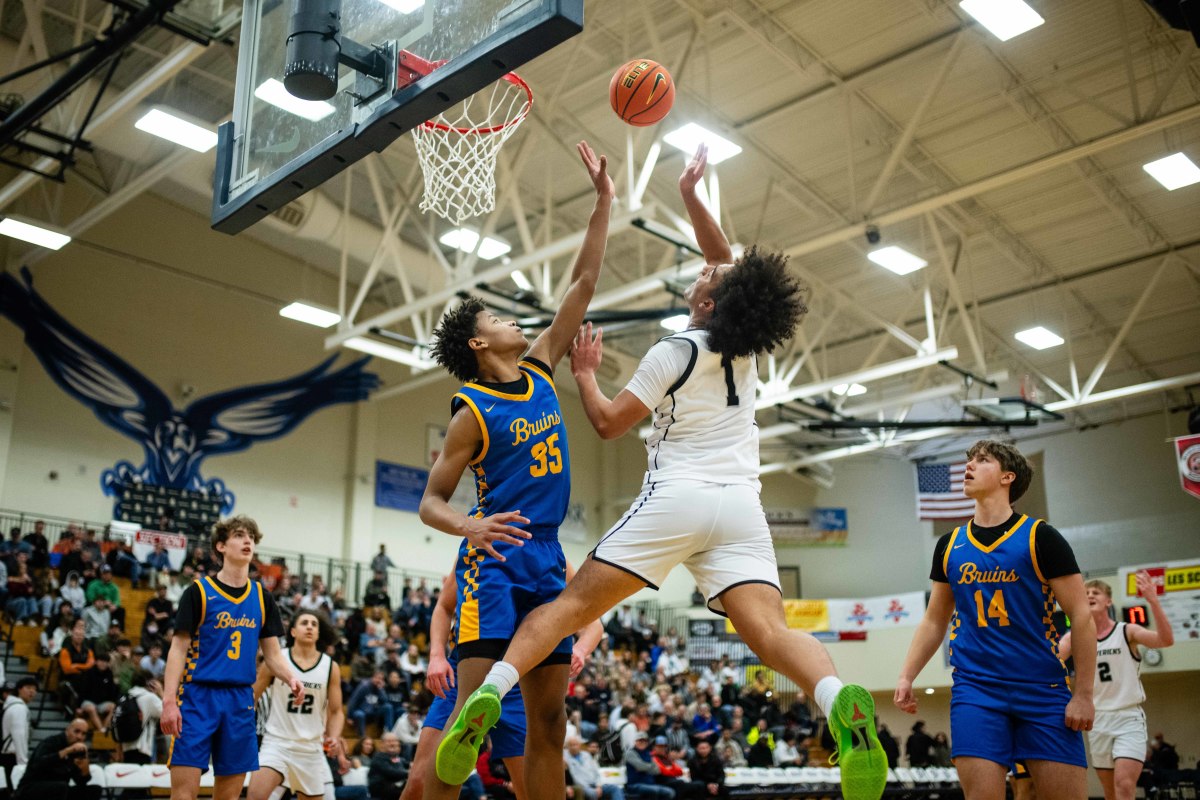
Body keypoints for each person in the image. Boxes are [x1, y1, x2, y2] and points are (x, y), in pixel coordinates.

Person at [442, 143, 885, 800]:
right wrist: (689, 195)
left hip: (677, 499)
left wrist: (588, 379)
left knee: (565, 609)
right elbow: (724, 260)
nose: (699, 277)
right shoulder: (745, 350)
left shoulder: (674, 349)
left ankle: (490, 695)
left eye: (703, 283)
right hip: (741, 508)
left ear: (708, 306)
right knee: (771, 633)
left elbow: (609, 424)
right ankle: (834, 693)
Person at [420, 141, 615, 800]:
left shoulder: (539, 367)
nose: (512, 321)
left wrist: (604, 202)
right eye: (497, 318)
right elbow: (430, 502)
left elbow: (582, 285)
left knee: (551, 722)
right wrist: (469, 527)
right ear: (479, 343)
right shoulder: (471, 411)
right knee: (468, 722)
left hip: (548, 557)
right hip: (495, 565)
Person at [894, 439, 1096, 800]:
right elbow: (934, 620)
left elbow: (1081, 616)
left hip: (1042, 688)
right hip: (977, 689)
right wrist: (907, 674)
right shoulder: (950, 544)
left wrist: (1082, 694)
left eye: (982, 460)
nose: (969, 466)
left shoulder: (1041, 538)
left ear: (1007, 477)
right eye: (969, 459)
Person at [160, 516, 303, 800]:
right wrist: (168, 702)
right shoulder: (198, 592)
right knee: (183, 795)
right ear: (221, 546)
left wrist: (291, 677)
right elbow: (177, 649)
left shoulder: (262, 597)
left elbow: (272, 655)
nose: (247, 540)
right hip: (196, 697)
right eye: (239, 535)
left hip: (240, 700)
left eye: (251, 536)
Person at [1057, 572, 1175, 800]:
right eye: (1086, 592)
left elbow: (1165, 640)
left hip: (1127, 716)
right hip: (1097, 719)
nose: (1090, 595)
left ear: (1108, 601)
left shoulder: (1126, 631)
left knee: (1124, 786)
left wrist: (1153, 601)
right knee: (1111, 793)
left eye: (1096, 592)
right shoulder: (1075, 636)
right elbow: (1054, 657)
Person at [248, 611, 348, 800]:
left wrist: (334, 736)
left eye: (314, 624)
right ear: (293, 631)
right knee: (255, 795)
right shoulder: (276, 660)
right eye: (304, 623)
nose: (309, 626)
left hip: (310, 749)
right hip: (277, 743)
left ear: (318, 633)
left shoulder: (330, 666)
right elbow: (252, 696)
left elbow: (336, 711)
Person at [13, 718, 101, 800]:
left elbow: (80, 782)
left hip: (59, 790)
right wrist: (66, 751)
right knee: (61, 787)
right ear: (67, 730)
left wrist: (85, 769)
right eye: (76, 731)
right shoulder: (51, 742)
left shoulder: (77, 751)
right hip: (31, 787)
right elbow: (38, 764)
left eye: (83, 734)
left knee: (94, 790)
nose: (79, 737)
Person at [115, 670, 164, 764]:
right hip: (142, 749)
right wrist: (161, 692)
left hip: (126, 748)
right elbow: (169, 714)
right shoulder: (149, 697)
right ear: (149, 682)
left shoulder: (125, 696)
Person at [565, 735, 622, 800]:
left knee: (615, 788)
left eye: (575, 744)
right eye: (571, 745)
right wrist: (592, 789)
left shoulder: (586, 755)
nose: (574, 747)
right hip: (583, 787)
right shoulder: (565, 758)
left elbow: (596, 772)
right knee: (592, 794)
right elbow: (574, 777)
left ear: (580, 745)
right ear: (567, 747)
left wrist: (598, 786)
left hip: (595, 785)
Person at [1, 676, 37, 778]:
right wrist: (23, 762)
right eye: (29, 688)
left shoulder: (11, 705)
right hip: (12, 758)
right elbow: (19, 735)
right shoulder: (19, 708)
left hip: (7, 756)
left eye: (35, 689)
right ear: (19, 689)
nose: (32, 692)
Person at [623, 732, 674, 800]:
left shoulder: (648, 754)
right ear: (635, 741)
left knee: (670, 792)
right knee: (654, 791)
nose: (642, 743)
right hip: (635, 784)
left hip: (650, 784)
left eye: (644, 741)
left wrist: (645, 766)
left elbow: (657, 770)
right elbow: (640, 767)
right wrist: (650, 767)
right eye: (640, 740)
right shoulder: (630, 753)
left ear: (647, 743)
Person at [369, 732, 409, 800]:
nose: (392, 743)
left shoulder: (398, 758)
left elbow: (408, 764)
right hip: (381, 790)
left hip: (395, 788)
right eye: (389, 741)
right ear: (382, 744)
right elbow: (391, 772)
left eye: (395, 741)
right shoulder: (378, 757)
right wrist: (410, 773)